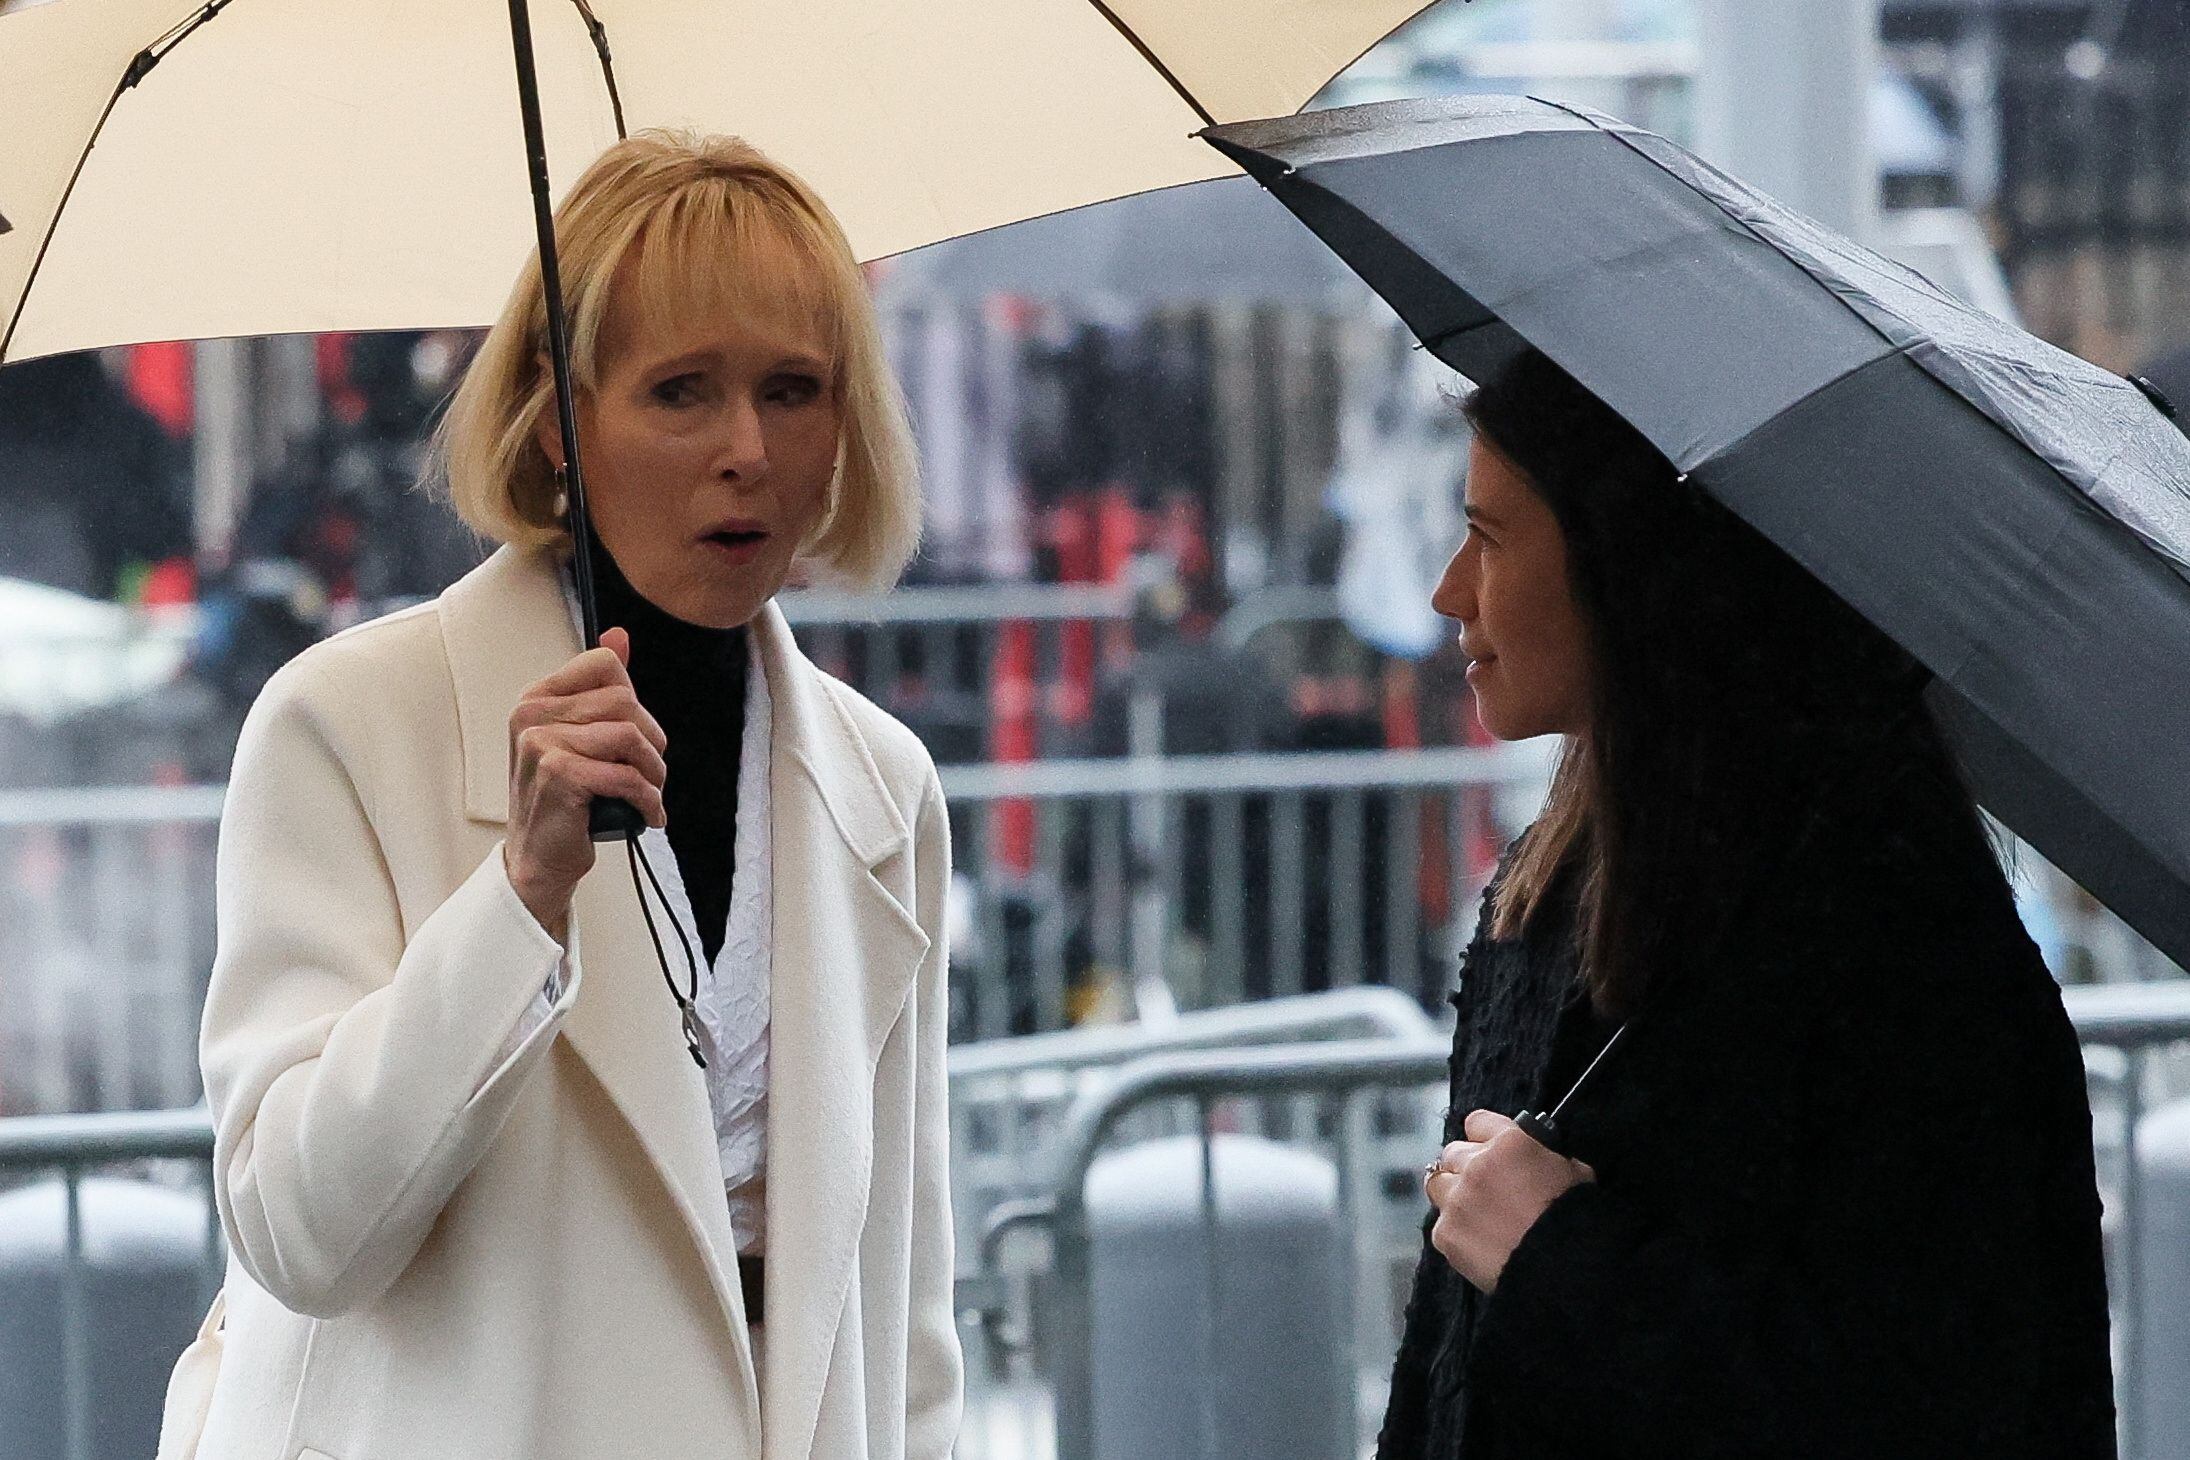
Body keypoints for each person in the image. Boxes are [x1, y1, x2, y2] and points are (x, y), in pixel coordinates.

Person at [157, 132, 961, 1460]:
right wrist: (518, 901)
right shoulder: (349, 722)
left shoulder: (882, 784)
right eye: (681, 391)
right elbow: (298, 1230)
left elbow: (905, 1316)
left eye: (795, 388)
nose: (748, 449)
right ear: (556, 416)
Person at [1381, 348, 2116, 1458]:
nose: (1449, 590)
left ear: (1626, 564)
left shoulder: (1900, 942)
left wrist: (1565, 1260)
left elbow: (1941, 1391)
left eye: (1488, 536)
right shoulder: (1551, 891)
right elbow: (1448, 1369)